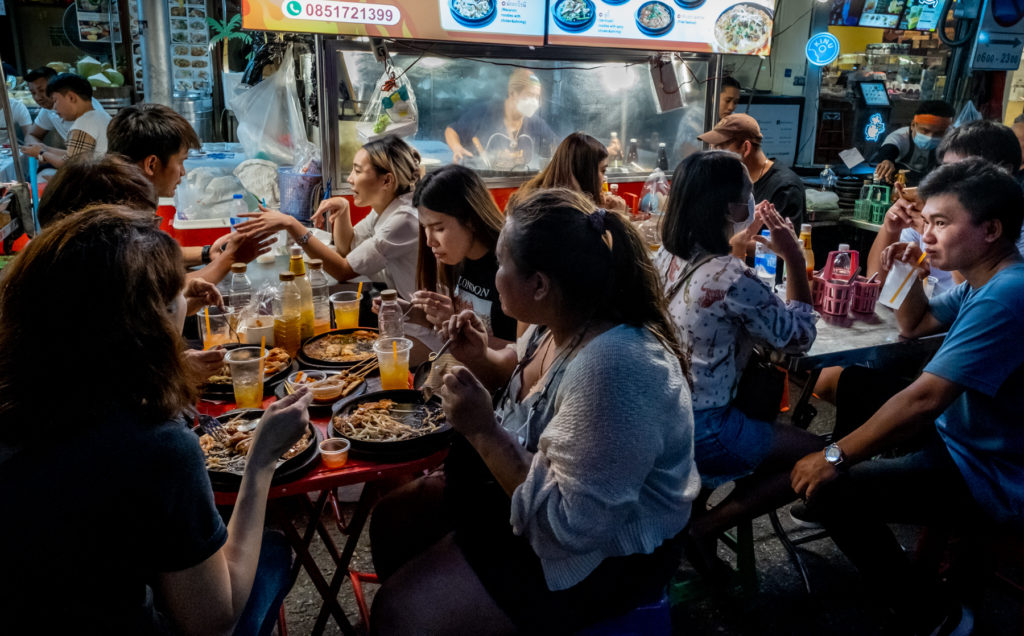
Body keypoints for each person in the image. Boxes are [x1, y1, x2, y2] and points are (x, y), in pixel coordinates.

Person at [368, 188, 700, 634]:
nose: (495, 272)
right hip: (536, 502)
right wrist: (479, 356)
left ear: (539, 284)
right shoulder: (560, 321)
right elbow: (517, 373)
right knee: (395, 521)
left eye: (502, 263)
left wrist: (484, 431)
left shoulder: (616, 367)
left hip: (601, 559)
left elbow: (570, 527)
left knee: (400, 612)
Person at [0, 205, 314, 633]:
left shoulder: (27, 398)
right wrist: (261, 459)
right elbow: (214, 619)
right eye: (175, 294)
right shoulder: (156, 445)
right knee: (274, 552)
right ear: (153, 322)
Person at [791, 158, 1024, 635]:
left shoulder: (1008, 294)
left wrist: (834, 456)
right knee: (857, 381)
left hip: (991, 469)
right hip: (959, 434)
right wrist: (906, 272)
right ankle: (874, 511)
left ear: (991, 229)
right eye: (928, 222)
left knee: (833, 491)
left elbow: (925, 399)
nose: (928, 234)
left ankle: (933, 613)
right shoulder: (984, 280)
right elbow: (913, 325)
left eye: (941, 223)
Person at [654, 150, 822, 570]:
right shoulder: (732, 279)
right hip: (707, 429)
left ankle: (693, 521)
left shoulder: (664, 258)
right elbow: (798, 338)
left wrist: (734, 249)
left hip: (665, 416)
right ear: (732, 207)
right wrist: (795, 261)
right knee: (821, 457)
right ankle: (705, 527)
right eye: (748, 193)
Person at [237, 134, 422, 300]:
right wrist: (343, 208)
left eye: (357, 171)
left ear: (387, 181)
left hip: (420, 321)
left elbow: (343, 270)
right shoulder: (386, 208)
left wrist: (291, 224)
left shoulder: (403, 220)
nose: (350, 179)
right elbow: (348, 250)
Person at [107, 103, 272, 284]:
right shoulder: (118, 223)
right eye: (180, 161)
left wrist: (207, 253)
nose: (183, 172)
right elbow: (165, 293)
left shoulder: (117, 193)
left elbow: (150, 253)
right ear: (151, 164)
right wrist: (230, 259)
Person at [866, 119, 1023, 295]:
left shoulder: (1015, 234)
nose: (946, 183)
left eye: (960, 172)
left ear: (1003, 172)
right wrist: (890, 227)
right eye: (945, 170)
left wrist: (935, 231)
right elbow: (875, 282)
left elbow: (980, 297)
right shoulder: (929, 214)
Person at [408, 164, 518, 345]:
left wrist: (456, 326)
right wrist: (414, 313)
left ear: (471, 220)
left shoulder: (511, 267)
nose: (430, 241)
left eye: (439, 228)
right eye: (425, 228)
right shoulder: (456, 259)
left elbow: (524, 354)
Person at [698, 114, 806, 227]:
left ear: (746, 148)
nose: (713, 157)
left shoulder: (785, 188)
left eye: (719, 149)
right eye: (712, 149)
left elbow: (782, 242)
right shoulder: (731, 179)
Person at [444, 68, 557, 170]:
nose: (534, 102)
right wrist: (457, 147)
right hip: (484, 182)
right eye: (529, 95)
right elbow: (452, 130)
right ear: (513, 93)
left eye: (537, 97)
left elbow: (557, 146)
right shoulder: (485, 112)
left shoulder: (535, 123)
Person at [510, 132, 627, 213]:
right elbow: (603, 247)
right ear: (584, 173)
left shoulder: (536, 196)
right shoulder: (567, 212)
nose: (604, 178)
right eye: (602, 170)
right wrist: (616, 216)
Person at [21, 73, 110, 167]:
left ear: (71, 98)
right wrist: (46, 149)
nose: (54, 107)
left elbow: (71, 165)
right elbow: (74, 156)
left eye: (55, 100)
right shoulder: (100, 115)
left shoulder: (83, 125)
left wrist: (42, 153)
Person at [870, 99, 954, 185]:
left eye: (939, 133)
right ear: (913, 125)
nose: (930, 137)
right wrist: (887, 161)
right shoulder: (901, 136)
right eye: (925, 130)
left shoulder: (950, 141)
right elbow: (889, 148)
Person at [22, 66, 103, 149]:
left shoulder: (86, 113)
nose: (38, 98)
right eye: (33, 93)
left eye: (42, 90)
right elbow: (31, 135)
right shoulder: (48, 108)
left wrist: (43, 153)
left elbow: (79, 157)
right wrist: (41, 150)